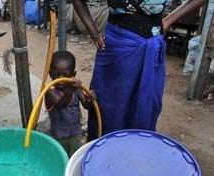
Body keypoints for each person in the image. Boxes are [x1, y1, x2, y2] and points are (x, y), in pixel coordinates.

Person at [72, 0, 206, 141]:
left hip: (151, 48)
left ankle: (135, 154)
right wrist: (94, 32)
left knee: (144, 107)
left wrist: (169, 20)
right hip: (117, 48)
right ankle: (102, 154)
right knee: (108, 108)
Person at [45, 50, 95, 156]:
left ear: (73, 74)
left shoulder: (76, 89)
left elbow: (86, 105)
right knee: (60, 158)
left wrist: (90, 99)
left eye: (66, 75)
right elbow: (61, 103)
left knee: (75, 157)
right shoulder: (50, 91)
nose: (61, 79)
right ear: (50, 74)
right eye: (57, 75)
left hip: (75, 134)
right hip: (58, 136)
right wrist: (70, 90)